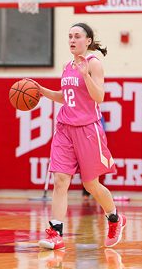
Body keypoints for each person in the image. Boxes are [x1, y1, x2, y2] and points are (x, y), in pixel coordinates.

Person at [35, 23, 126, 249]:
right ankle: (55, 233)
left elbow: (99, 97)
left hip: (87, 129)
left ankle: (114, 217)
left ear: (88, 40)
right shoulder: (67, 66)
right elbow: (67, 97)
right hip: (65, 128)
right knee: (60, 180)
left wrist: (86, 76)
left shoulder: (94, 64)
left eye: (77, 36)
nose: (72, 40)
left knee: (91, 184)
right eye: (69, 37)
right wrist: (44, 92)